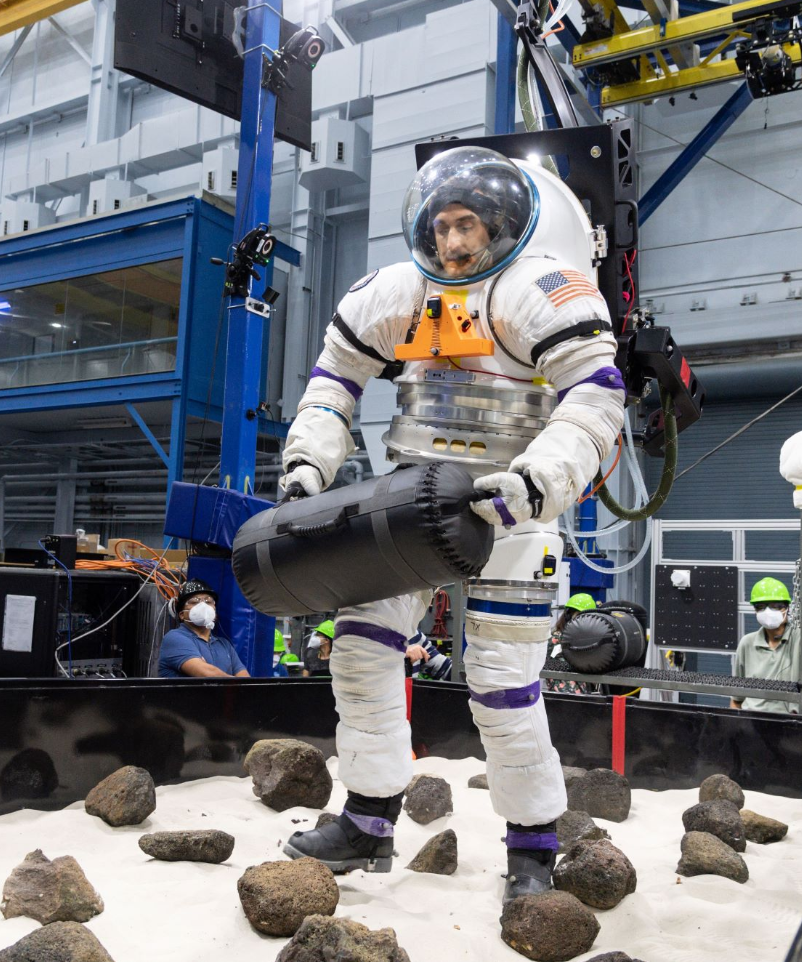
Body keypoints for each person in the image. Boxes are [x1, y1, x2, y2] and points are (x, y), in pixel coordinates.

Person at [278, 146, 626, 902]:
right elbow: (334, 380)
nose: (454, 243)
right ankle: (367, 822)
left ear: (501, 226)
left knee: (503, 684)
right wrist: (309, 464)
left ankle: (532, 850)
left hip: (510, 505)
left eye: (467, 224)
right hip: (406, 501)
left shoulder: (543, 289)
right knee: (361, 655)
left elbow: (595, 397)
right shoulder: (397, 291)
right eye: (442, 226)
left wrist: (536, 483)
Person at [731, 577, 802, 713]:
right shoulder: (747, 643)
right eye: (761, 607)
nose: (768, 612)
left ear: (786, 607)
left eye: (776, 606)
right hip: (751, 720)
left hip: (790, 722)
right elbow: (736, 699)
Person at [157, 581, 250, 678]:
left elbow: (244, 680)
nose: (203, 606)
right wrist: (236, 683)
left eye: (208, 601)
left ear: (215, 613)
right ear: (182, 615)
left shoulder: (224, 645)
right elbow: (208, 674)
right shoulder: (174, 638)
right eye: (194, 602)